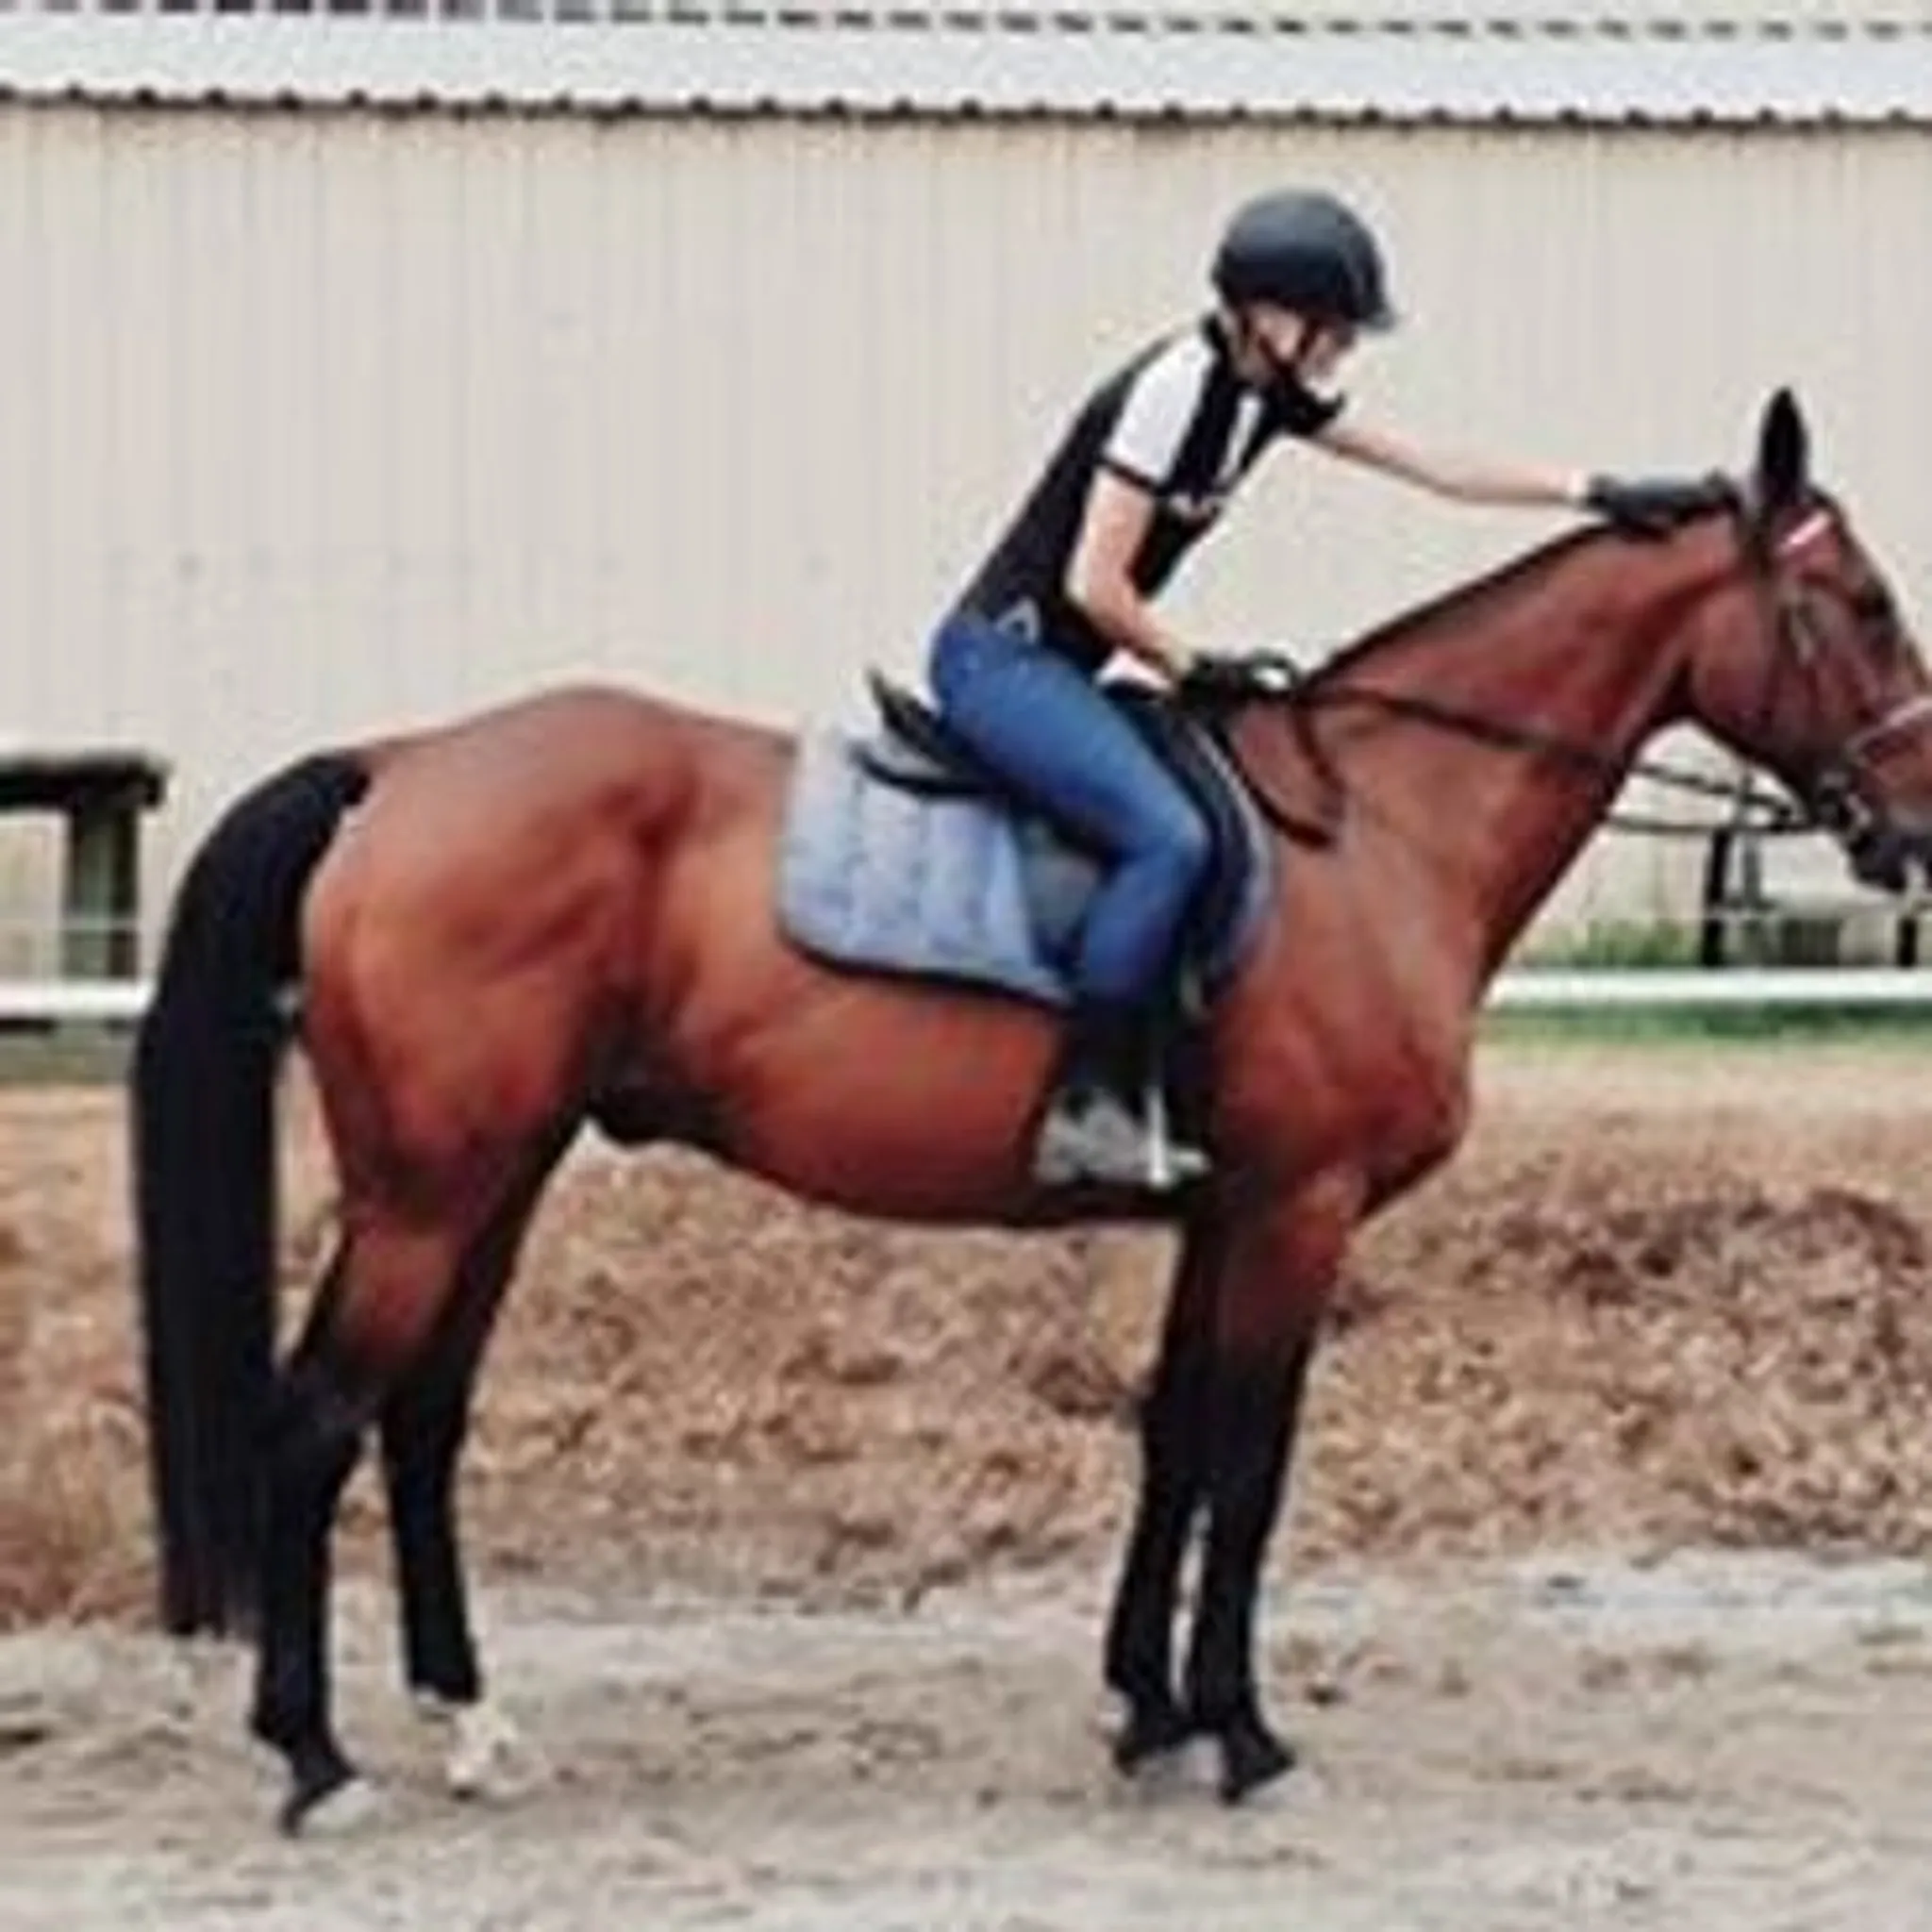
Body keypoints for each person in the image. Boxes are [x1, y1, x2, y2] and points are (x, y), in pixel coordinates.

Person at [928, 187, 1715, 1192]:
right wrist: (1187, 662)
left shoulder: (1265, 393)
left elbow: (1426, 465)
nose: (1342, 346)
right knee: (1169, 838)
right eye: (1332, 326)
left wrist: (1594, 492)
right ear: (1264, 314)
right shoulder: (1176, 389)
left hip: (1067, 667)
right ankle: (1087, 1107)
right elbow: (1093, 580)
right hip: (1000, 663)